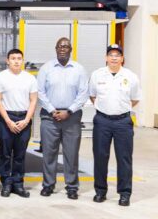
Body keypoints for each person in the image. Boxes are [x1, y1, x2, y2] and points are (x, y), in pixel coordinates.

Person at [89, 44, 141, 207]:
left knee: (124, 158)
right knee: (100, 157)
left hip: (123, 122)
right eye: (111, 54)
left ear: (122, 58)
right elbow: (92, 96)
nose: (114, 57)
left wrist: (120, 110)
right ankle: (100, 191)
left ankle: (124, 194)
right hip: (102, 121)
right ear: (106, 58)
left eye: (117, 55)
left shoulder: (130, 76)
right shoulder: (97, 75)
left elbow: (135, 99)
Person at [36, 37, 88, 199]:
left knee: (71, 154)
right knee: (48, 154)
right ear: (56, 49)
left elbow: (83, 93)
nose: (63, 49)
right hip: (49, 117)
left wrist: (69, 111)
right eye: (60, 46)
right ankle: (48, 185)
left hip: (71, 118)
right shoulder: (46, 68)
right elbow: (39, 92)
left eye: (66, 46)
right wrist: (52, 110)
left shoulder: (79, 69)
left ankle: (72, 187)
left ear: (71, 49)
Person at [0, 48, 38, 198]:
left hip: (24, 118)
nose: (16, 61)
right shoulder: (0, 77)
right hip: (6, 118)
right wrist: (8, 121)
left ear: (22, 60)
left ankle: (18, 184)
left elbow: (33, 100)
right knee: (5, 154)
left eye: (19, 58)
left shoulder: (30, 78)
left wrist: (26, 120)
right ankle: (6, 183)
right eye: (13, 58)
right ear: (7, 60)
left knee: (20, 155)